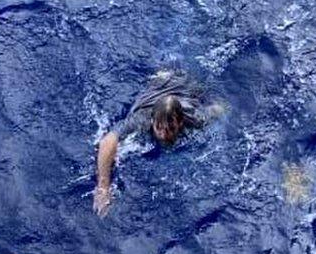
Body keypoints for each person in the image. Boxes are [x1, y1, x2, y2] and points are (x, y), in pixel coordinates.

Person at [93, 68, 224, 216]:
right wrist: (103, 187)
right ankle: (165, 75)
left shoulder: (194, 118)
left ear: (181, 123)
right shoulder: (142, 119)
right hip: (161, 84)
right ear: (152, 122)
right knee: (162, 75)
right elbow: (108, 141)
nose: (163, 134)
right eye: (159, 128)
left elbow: (219, 109)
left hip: (187, 89)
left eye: (170, 128)